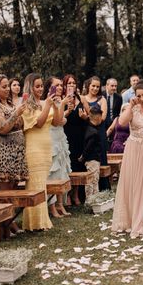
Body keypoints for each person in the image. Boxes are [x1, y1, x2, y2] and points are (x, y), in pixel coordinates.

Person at [112, 80, 143, 237]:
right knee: (134, 183)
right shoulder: (132, 108)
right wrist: (130, 105)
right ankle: (133, 218)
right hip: (134, 150)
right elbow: (121, 122)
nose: (142, 98)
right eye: (138, 95)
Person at [0, 74, 28, 236]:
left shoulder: (9, 103)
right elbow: (2, 128)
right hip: (4, 150)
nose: (7, 89)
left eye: (8, 86)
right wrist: (16, 113)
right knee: (5, 191)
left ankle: (11, 221)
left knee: (14, 188)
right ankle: (5, 225)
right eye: (3, 87)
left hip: (16, 150)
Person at [21, 73, 65, 231]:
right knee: (35, 184)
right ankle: (35, 222)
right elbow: (38, 124)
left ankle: (41, 219)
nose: (40, 89)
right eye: (37, 86)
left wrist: (56, 105)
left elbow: (58, 122)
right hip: (33, 147)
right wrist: (47, 104)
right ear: (30, 87)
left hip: (47, 146)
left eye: (41, 86)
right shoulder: (26, 104)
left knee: (43, 184)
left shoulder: (44, 102)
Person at [44, 77, 72, 218]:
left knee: (62, 171)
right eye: (57, 85)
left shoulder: (60, 101)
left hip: (61, 138)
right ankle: (52, 206)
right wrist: (62, 107)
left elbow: (61, 119)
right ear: (49, 87)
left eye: (61, 85)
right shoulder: (47, 102)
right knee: (53, 173)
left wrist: (66, 110)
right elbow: (56, 122)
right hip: (52, 139)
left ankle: (61, 204)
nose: (60, 87)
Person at [62, 74, 90, 206]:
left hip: (80, 135)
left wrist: (85, 117)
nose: (71, 85)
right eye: (69, 83)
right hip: (66, 135)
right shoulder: (62, 99)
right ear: (64, 85)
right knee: (68, 165)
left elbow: (90, 118)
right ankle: (67, 194)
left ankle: (76, 194)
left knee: (79, 164)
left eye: (73, 83)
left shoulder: (82, 98)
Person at [84, 76, 110, 191]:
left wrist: (86, 116)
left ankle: (102, 188)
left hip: (99, 134)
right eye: (93, 86)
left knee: (100, 159)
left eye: (97, 86)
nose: (95, 88)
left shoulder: (102, 99)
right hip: (86, 134)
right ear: (88, 86)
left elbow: (101, 118)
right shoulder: (83, 98)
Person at [80, 104, 104, 201]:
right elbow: (89, 147)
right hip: (92, 159)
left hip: (92, 159)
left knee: (94, 180)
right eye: (100, 117)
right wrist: (83, 156)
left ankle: (95, 199)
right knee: (92, 180)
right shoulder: (94, 132)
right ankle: (91, 200)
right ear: (98, 117)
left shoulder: (90, 128)